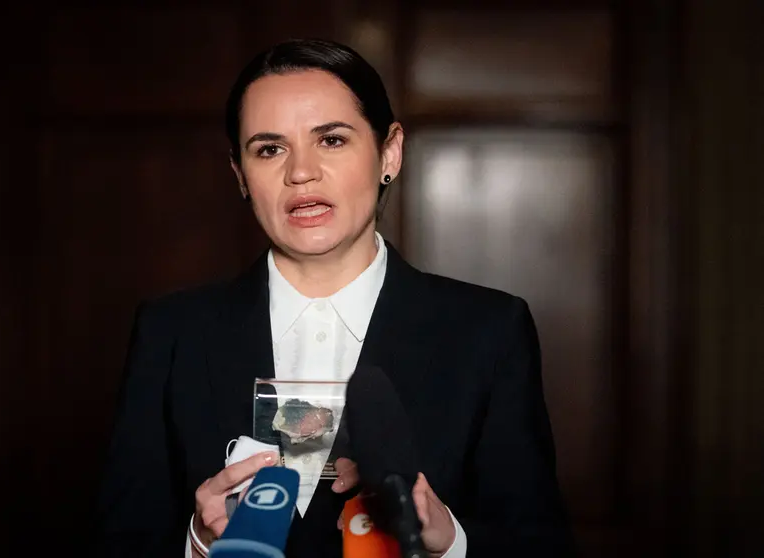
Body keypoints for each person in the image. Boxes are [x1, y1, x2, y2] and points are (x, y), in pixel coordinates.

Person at [92, 38, 573, 558]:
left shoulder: (488, 330)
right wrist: (199, 543)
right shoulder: (172, 332)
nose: (300, 173)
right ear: (240, 176)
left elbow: (539, 542)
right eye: (269, 149)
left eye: (332, 140)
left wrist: (446, 540)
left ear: (389, 151)